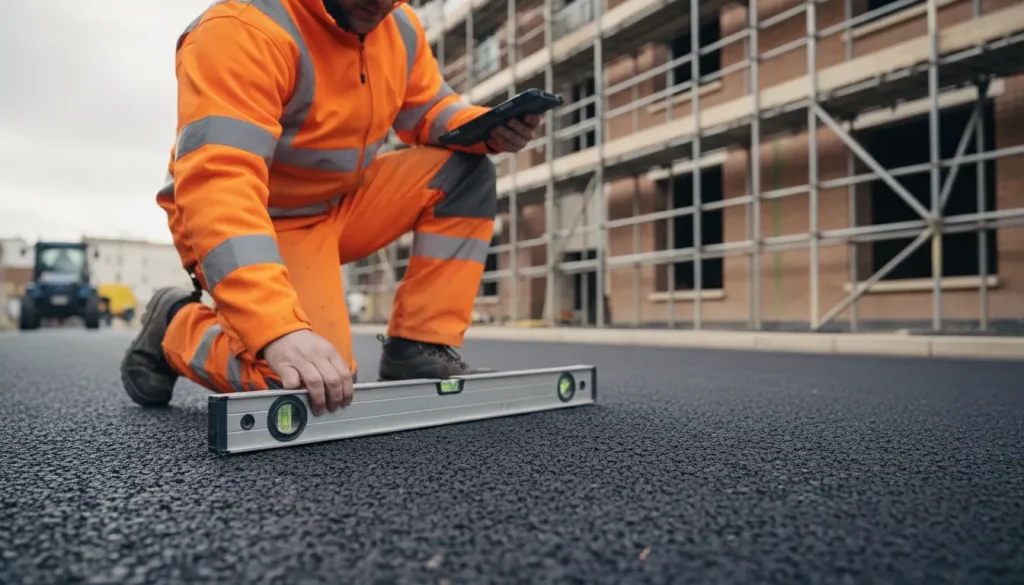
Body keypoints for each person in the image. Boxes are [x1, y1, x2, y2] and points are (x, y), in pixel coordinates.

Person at [121, 0, 541, 417]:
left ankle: (419, 345)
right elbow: (220, 184)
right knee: (307, 382)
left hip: (340, 203)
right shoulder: (243, 28)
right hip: (256, 220)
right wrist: (276, 330)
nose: (382, 5)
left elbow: (428, 107)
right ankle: (173, 325)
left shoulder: (399, 26)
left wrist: (485, 127)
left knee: (465, 172)